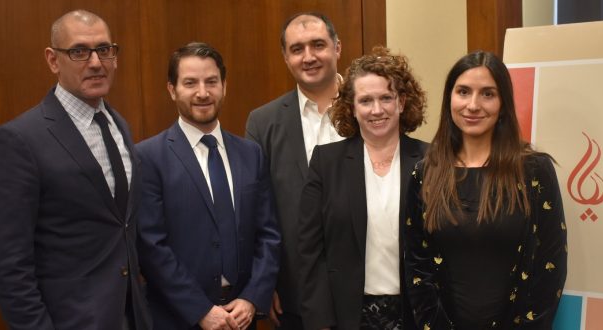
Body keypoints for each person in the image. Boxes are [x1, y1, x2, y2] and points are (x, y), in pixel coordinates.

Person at [0, 9, 151, 330]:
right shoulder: (18, 141)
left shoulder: (119, 125)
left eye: (104, 50)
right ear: (52, 60)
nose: (96, 62)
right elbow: (9, 265)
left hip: (132, 317)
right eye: (79, 51)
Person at [405, 51, 567, 329]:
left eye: (488, 94)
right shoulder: (425, 172)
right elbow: (418, 269)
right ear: (450, 99)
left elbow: (549, 268)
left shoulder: (534, 171)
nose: (473, 105)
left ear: (503, 103)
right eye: (463, 92)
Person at [136, 42, 280, 330]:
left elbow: (269, 235)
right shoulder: (148, 157)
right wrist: (200, 310)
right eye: (190, 83)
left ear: (224, 86)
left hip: (241, 317)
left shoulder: (251, 154)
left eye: (211, 81)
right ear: (172, 89)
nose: (203, 92)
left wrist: (252, 298)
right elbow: (152, 246)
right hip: (177, 318)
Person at [297, 47, 428, 330]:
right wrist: (319, 322)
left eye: (386, 98)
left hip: (417, 315)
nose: (377, 110)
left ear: (402, 102)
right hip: (347, 317)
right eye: (366, 100)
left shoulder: (432, 162)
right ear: (352, 108)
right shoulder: (325, 162)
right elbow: (309, 251)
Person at [245, 12, 344, 329]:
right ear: (286, 58)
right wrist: (264, 282)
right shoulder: (263, 123)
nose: (309, 57)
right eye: (297, 48)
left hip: (371, 288)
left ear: (337, 48)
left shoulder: (371, 108)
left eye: (318, 45)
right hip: (293, 294)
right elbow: (256, 212)